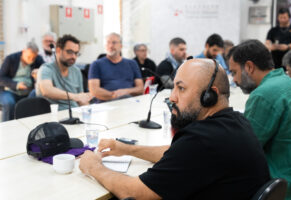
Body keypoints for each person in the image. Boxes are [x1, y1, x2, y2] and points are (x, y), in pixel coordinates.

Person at [79, 58, 270, 200]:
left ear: (209, 96)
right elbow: (177, 153)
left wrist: (94, 167)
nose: (172, 97)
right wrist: (127, 149)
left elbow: (134, 192)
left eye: (181, 89)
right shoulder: (234, 122)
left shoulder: (203, 140)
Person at [228, 39, 291, 200]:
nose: (234, 80)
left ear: (249, 67)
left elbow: (243, 152)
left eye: (234, 72)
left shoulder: (263, 95)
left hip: (280, 189)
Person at [36, 34, 92, 110]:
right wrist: (75, 96)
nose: (73, 57)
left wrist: (89, 110)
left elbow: (81, 100)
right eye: (70, 52)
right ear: (58, 50)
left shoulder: (77, 71)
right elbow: (47, 90)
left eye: (76, 53)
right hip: (54, 115)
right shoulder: (46, 69)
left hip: (75, 113)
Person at [88, 33, 143, 102]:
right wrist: (115, 95)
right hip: (106, 103)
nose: (110, 46)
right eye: (108, 43)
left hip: (129, 101)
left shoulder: (132, 63)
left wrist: (125, 91)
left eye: (114, 43)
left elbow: (140, 89)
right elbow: (94, 90)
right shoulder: (96, 64)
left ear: (121, 46)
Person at [0, 41, 44, 121]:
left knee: (36, 95)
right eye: (29, 57)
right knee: (9, 103)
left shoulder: (38, 59)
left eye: (33, 58)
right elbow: (1, 77)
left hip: (28, 92)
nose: (31, 60)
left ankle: (29, 124)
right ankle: (7, 129)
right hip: (9, 91)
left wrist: (39, 72)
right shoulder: (10, 59)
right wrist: (16, 85)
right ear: (24, 51)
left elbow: (46, 72)